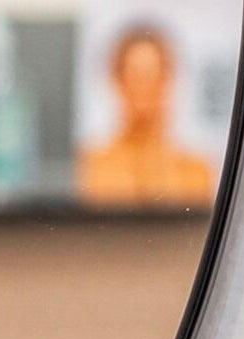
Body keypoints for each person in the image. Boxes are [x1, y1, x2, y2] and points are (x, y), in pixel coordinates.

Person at [77, 23, 215, 206]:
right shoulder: (89, 166)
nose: (145, 89)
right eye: (136, 76)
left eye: (154, 76)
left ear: (168, 81)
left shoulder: (196, 171)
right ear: (118, 82)